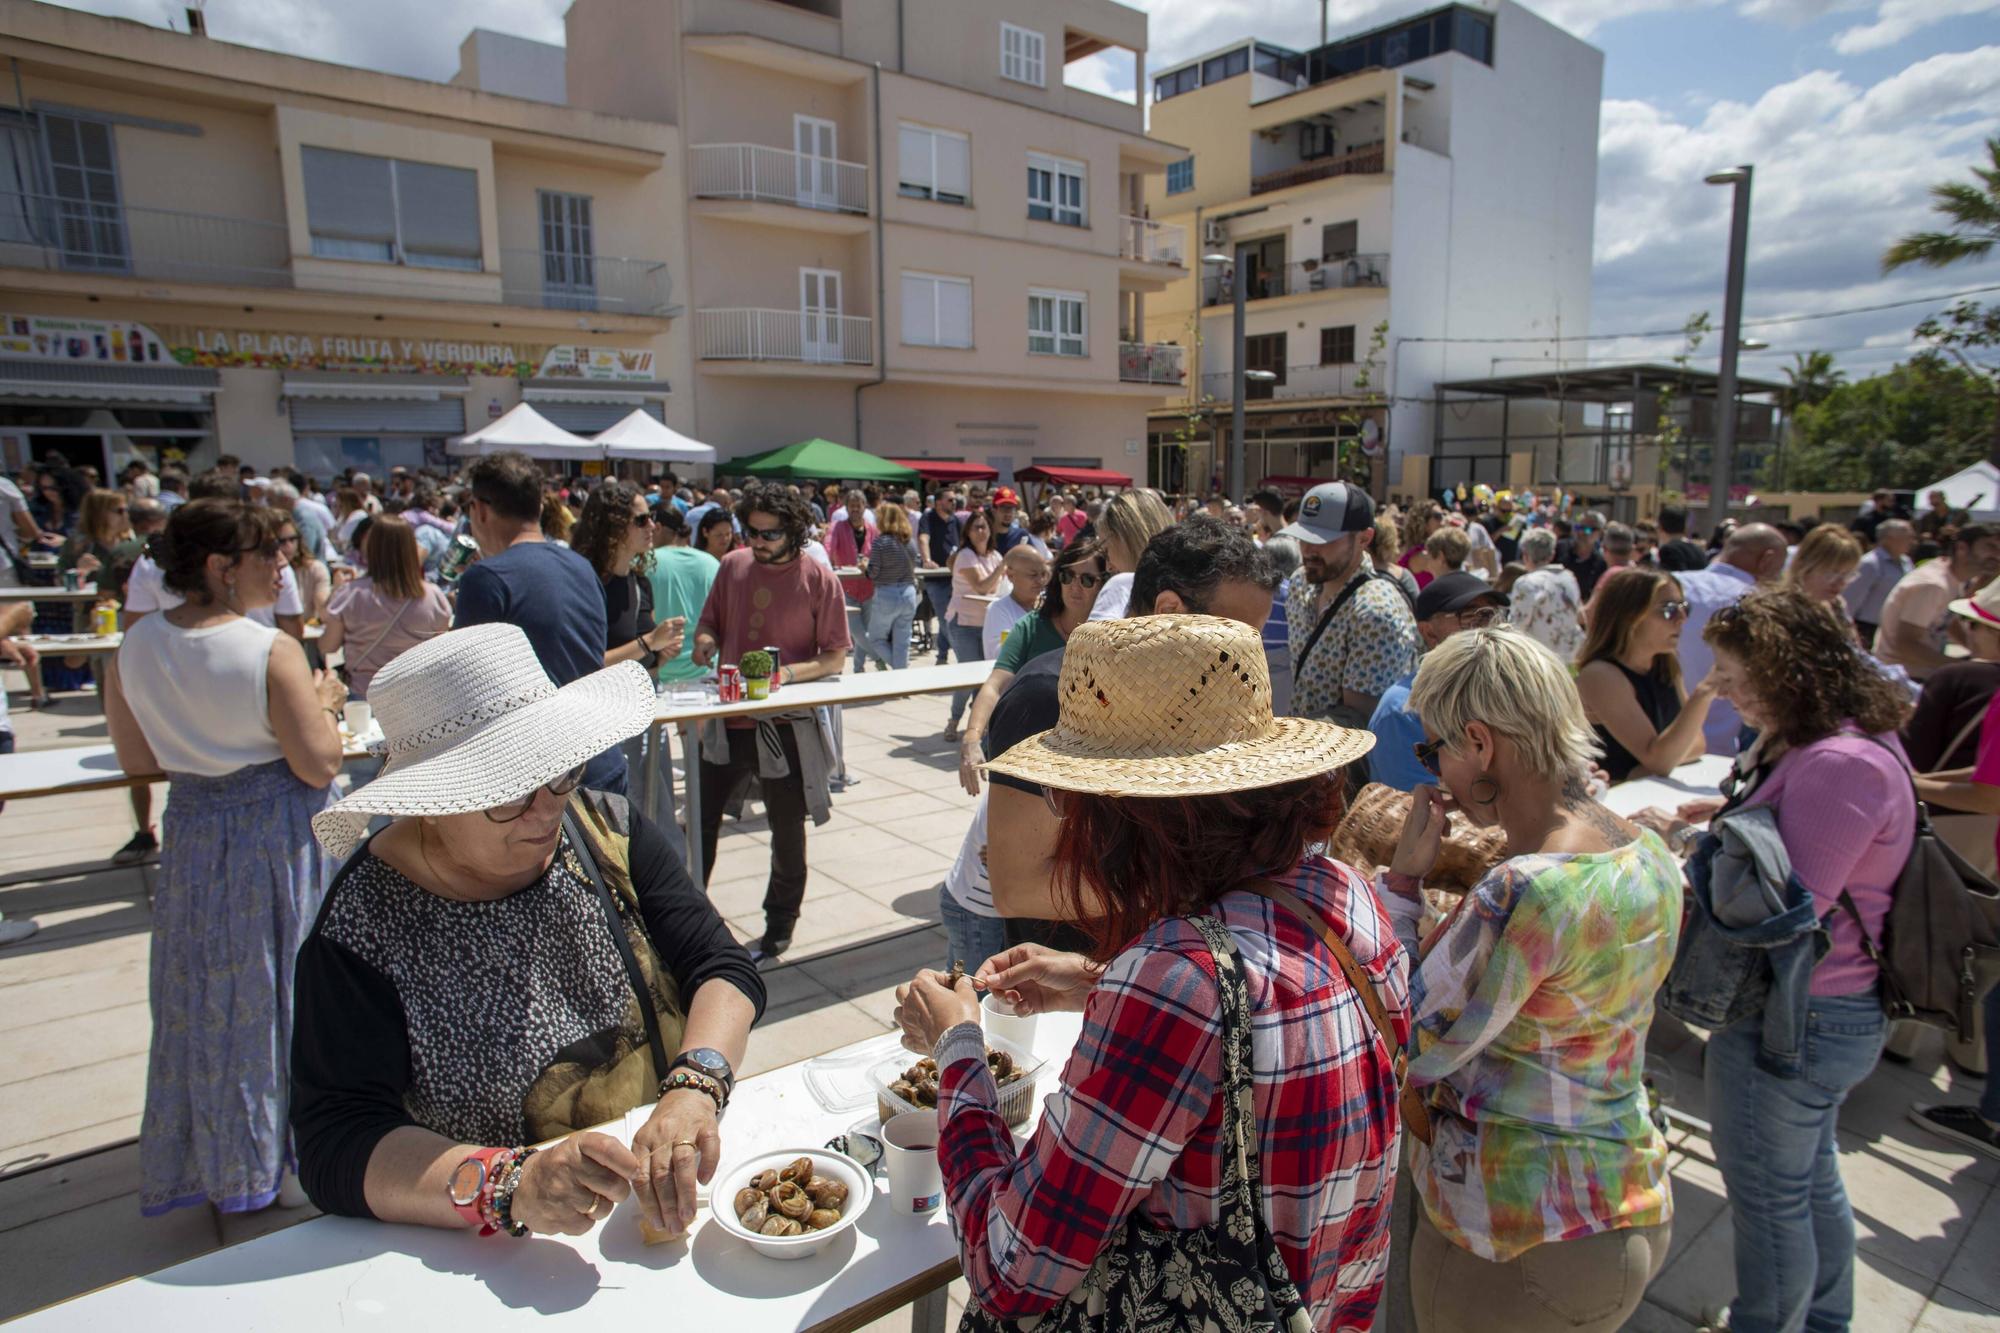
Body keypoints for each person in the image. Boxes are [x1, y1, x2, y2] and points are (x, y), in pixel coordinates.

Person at [894, 613, 1407, 1330]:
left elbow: (1010, 1263)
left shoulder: (1172, 981)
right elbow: (1256, 1023)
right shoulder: (1347, 897)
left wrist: (958, 1049)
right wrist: (1093, 977)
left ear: (1124, 817)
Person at [290, 624, 764, 1238]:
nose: (548, 810)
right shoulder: (360, 929)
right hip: (494, 1256)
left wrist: (694, 1087)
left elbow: (720, 965)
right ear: (428, 802)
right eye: (508, 794)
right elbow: (338, 1141)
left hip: (657, 1203)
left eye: (560, 772)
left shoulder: (604, 825)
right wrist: (508, 1183)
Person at [1383, 626, 1679, 1333]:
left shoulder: (1525, 889)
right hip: (1624, 1201)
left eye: (1435, 750)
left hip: (1516, 1236)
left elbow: (1404, 1032)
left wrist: (1402, 884)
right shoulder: (1648, 849)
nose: (1435, 774)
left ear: (1480, 743)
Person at [102, 498, 348, 1215]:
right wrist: (327, 701)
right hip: (276, 834)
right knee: (287, 994)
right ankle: (294, 1155)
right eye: (267, 554)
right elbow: (317, 762)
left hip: (196, 834)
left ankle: (223, 1152)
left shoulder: (136, 644)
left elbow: (137, 759)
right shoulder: (265, 648)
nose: (281, 566)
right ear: (220, 566)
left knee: (207, 997)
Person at [1691, 589, 1919, 1330]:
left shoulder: (1837, 762)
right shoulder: (1838, 741)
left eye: (1731, 672)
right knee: (1806, 1180)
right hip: (1824, 1010)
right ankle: (1822, 1319)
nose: (1718, 687)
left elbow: (1782, 911)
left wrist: (1685, 868)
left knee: (1768, 1198)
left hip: (1800, 1016)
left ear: (1786, 670)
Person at [982, 518, 1280, 956]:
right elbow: (1018, 887)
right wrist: (1195, 883)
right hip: (1073, 984)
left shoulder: (1210, 701)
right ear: (1170, 611)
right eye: (1237, 634)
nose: (1249, 656)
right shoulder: (1050, 696)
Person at [690, 485, 850, 964]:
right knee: (699, 827)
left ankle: (779, 928)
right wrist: (703, 641)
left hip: (784, 726)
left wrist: (785, 675)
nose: (757, 541)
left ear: (794, 529)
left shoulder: (819, 578)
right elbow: (710, 625)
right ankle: (688, 920)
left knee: (787, 832)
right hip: (727, 718)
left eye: (769, 533)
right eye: (751, 532)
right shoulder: (732, 566)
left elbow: (835, 658)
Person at [453, 451, 626, 795]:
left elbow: (465, 692)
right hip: (601, 758)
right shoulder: (580, 566)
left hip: (541, 784)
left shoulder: (485, 578)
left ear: (480, 509)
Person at [956, 539, 1104, 798]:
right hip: (1028, 762)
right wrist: (971, 737)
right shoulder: (1030, 627)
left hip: (1089, 767)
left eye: (1087, 579)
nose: (1074, 586)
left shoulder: (1111, 637)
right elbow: (996, 684)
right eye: (1067, 576)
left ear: (1105, 584)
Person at [1281, 481, 1421, 728]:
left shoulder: (1376, 611)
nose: (1309, 550)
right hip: (1304, 750)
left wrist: (1288, 737)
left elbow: (1361, 721)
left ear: (1364, 539)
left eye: (1324, 540)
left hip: (1348, 761)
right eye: (1303, 537)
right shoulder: (1301, 582)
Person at [1366, 572, 1505, 792]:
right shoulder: (1402, 709)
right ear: (1428, 632)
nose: (1483, 629)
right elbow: (1416, 806)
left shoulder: (1504, 691)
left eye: (1489, 615)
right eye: (1468, 616)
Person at [1577, 567, 1716, 782]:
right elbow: (1660, 761)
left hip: (1650, 799)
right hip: (1612, 806)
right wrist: (1704, 693)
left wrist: (1645, 769)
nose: (1681, 619)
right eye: (1668, 610)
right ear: (1631, 617)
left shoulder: (1666, 665)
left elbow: (1697, 743)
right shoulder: (1600, 675)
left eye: (1684, 608)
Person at [1676, 523, 1789, 752]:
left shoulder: (1670, 585)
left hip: (1658, 741)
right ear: (1767, 560)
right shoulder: (1763, 604)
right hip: (1721, 751)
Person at [318, 516, 453, 700]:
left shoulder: (351, 594)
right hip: (416, 699)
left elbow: (327, 646)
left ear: (371, 548)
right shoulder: (434, 597)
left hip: (365, 695)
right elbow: (440, 653)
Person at [1874, 523, 2000, 681]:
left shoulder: (1954, 578)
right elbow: (1906, 644)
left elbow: (1947, 623)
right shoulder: (1933, 585)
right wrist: (1962, 667)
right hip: (1902, 679)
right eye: (1991, 547)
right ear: (1962, 548)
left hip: (1918, 674)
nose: (1997, 555)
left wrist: (1975, 654)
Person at [942, 509, 1005, 741]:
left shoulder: (995, 556)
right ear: (967, 532)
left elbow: (999, 589)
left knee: (987, 676)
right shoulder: (966, 555)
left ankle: (979, 725)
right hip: (963, 623)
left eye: (984, 526)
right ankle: (954, 721)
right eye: (976, 527)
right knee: (968, 676)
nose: (981, 531)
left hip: (987, 623)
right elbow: (982, 587)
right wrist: (1003, 567)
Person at [645, 505, 720, 684]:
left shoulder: (644, 562)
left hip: (658, 674)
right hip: (707, 671)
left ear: (658, 527)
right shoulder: (711, 562)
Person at [1082, 489, 1175, 622]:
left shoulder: (1121, 583)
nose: (1108, 567)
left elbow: (1090, 641)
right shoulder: (1194, 589)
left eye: (1106, 552)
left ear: (1126, 542)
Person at [1506, 526, 1584, 663]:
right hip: (1567, 659)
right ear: (1552, 554)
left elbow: (1516, 627)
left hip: (1537, 660)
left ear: (1525, 555)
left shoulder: (1525, 583)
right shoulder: (1569, 578)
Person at [861, 500, 921, 670]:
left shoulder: (881, 542)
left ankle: (899, 672)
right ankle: (901, 677)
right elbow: (916, 563)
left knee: (875, 638)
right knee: (902, 642)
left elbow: (873, 573)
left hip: (887, 593)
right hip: (908, 592)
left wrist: (865, 567)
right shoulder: (910, 542)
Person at [826, 487, 878, 673]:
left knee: (865, 632)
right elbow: (828, 545)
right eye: (852, 506)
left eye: (859, 506)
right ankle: (880, 657)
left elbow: (879, 553)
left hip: (869, 588)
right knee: (857, 631)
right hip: (846, 588)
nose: (855, 509)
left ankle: (858, 668)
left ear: (865, 507)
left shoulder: (872, 530)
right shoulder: (838, 527)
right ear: (846, 508)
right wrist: (826, 564)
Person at [1783, 523, 1864, 639]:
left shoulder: (1837, 605)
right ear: (1804, 567)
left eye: (1848, 575)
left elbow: (1857, 652)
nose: (1841, 583)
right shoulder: (1782, 611)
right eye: (1832, 574)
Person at [1845, 517, 1915, 645]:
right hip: (1867, 630)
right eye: (1907, 537)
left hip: (1894, 628)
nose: (1912, 541)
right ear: (1889, 539)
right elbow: (1850, 601)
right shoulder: (1870, 564)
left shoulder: (1906, 562)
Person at [918, 490, 964, 663]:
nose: (954, 502)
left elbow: (963, 543)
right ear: (938, 503)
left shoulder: (956, 521)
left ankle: (942, 656)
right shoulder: (928, 518)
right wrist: (927, 560)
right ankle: (962, 657)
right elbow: (923, 539)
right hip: (936, 578)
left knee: (949, 618)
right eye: (950, 500)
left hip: (954, 578)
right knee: (946, 622)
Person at [981, 546, 1049, 661]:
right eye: (1033, 575)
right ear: (1011, 575)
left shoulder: (1051, 605)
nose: (1040, 581)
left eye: (1043, 574)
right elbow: (1001, 656)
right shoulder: (998, 610)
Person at [1559, 511, 1610, 600]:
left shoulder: (1601, 563)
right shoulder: (1560, 549)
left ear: (1600, 533)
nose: (1582, 532)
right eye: (1579, 527)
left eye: (1588, 529)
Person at [1655, 505, 1706, 572]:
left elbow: (1673, 579)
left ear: (1660, 527)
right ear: (1685, 528)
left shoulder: (1668, 550)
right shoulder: (1698, 550)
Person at [989, 485, 1028, 554]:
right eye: (1003, 507)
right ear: (993, 511)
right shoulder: (986, 535)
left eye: (1011, 508)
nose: (1007, 512)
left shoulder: (1021, 535)